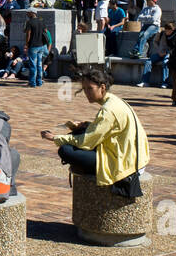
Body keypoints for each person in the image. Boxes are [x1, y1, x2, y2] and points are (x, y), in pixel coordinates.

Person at [42, 65, 149, 199]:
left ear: (102, 87)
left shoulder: (108, 110)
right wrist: (87, 125)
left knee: (65, 150)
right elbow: (106, 130)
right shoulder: (115, 101)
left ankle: (87, 170)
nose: (86, 92)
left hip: (126, 163)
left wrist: (56, 138)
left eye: (90, 89)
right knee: (75, 136)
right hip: (131, 155)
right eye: (84, 89)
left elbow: (87, 142)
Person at [23, 7, 48, 88]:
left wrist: (26, 44)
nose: (27, 14)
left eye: (28, 12)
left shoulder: (29, 22)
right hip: (41, 45)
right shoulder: (41, 21)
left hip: (33, 46)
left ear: (32, 13)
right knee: (39, 65)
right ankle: (39, 82)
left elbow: (28, 34)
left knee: (33, 65)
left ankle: (32, 83)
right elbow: (46, 31)